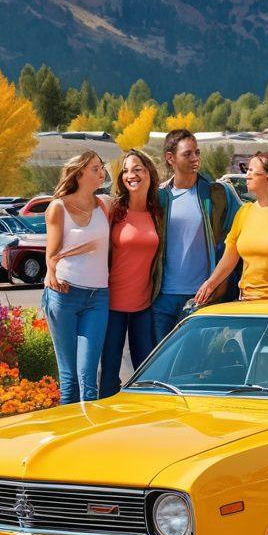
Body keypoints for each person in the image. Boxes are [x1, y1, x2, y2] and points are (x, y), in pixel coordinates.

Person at [194, 152, 268, 304]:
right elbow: (229, 259)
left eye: (252, 170)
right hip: (248, 305)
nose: (247, 175)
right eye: (247, 170)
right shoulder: (244, 213)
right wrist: (209, 285)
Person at [153, 129, 240, 340]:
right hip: (162, 298)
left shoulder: (218, 194)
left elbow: (241, 234)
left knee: (195, 368)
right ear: (170, 158)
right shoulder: (159, 197)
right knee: (161, 366)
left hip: (201, 297)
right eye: (188, 154)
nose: (195, 159)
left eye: (197, 153)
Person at [42, 151, 111, 405]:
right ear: (79, 173)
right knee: (69, 378)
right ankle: (67, 438)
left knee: (88, 376)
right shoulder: (58, 207)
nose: (101, 172)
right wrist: (50, 274)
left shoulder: (104, 204)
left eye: (101, 167)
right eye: (95, 168)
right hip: (65, 295)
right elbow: (51, 255)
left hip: (98, 297)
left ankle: (88, 438)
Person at [99, 149, 163, 399]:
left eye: (137, 169)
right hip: (112, 303)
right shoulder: (114, 210)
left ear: (149, 173)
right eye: (125, 170)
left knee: (145, 370)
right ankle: (104, 425)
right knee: (109, 371)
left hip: (143, 305)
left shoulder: (158, 213)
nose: (131, 175)